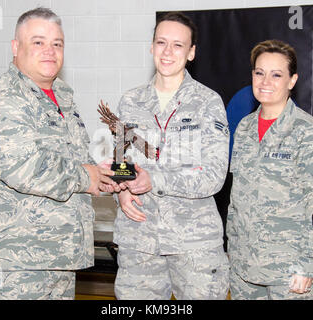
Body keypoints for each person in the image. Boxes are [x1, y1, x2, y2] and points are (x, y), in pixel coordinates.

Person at [0, 7, 119, 300]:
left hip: (57, 259)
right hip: (10, 267)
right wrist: (86, 176)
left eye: (57, 43)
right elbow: (24, 167)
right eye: (38, 42)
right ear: (15, 47)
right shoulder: (3, 99)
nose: (50, 51)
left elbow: (69, 165)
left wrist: (100, 177)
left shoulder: (62, 98)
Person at [112, 12, 230, 300]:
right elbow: (121, 162)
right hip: (139, 240)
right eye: (161, 42)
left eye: (178, 45)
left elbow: (214, 176)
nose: (167, 52)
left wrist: (155, 179)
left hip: (194, 246)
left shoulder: (208, 102)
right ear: (151, 47)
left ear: (191, 53)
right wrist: (122, 193)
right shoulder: (130, 101)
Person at [226, 39, 313, 300]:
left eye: (276, 74)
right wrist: (233, 251)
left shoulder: (308, 132)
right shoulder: (244, 128)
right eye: (259, 73)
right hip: (245, 271)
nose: (265, 81)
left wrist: (308, 264)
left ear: (292, 81)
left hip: (290, 275)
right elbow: (238, 197)